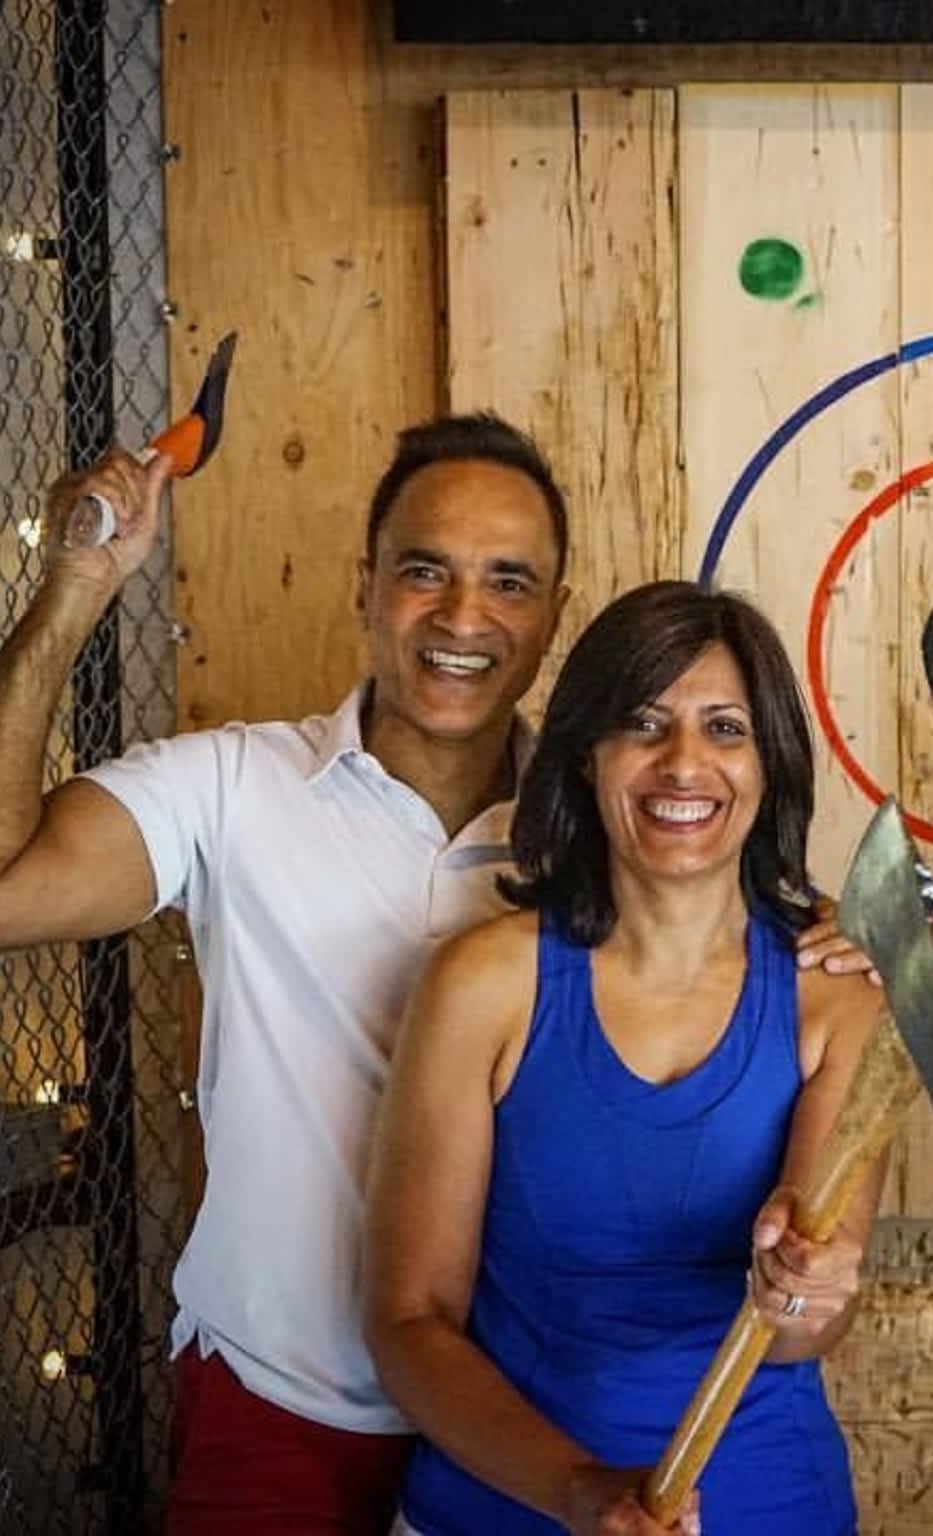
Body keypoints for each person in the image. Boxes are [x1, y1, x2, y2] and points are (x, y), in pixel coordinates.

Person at [0, 414, 573, 1530]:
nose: (464, 617)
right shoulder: (230, 789)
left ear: (555, 614)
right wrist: (75, 584)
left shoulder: (608, 831)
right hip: (272, 1414)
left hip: (521, 1425)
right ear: (365, 587)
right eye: (425, 572)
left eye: (509, 581)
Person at [365, 580, 882, 1536]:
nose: (684, 764)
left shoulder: (836, 999)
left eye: (725, 728)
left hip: (766, 1504)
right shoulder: (482, 985)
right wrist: (578, 1489)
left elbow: (811, 1332)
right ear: (586, 756)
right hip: (502, 1508)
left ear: (770, 765)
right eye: (643, 724)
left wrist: (801, 1289)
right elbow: (408, 1323)